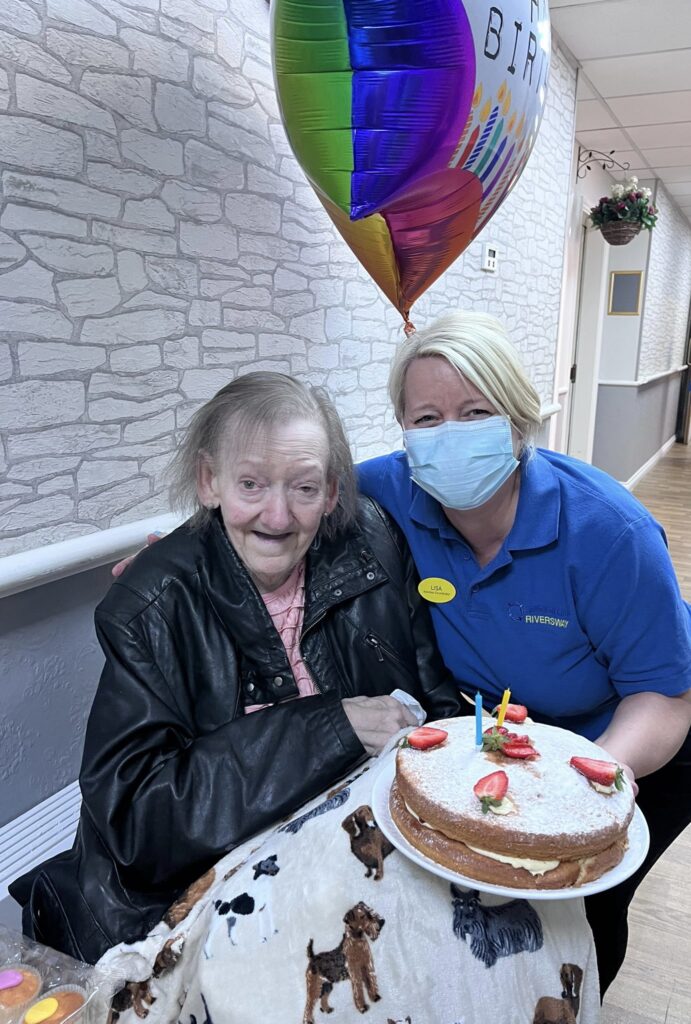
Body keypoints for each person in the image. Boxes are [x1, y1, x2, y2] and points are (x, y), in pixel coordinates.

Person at [10, 372, 462, 964]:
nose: (277, 515)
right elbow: (138, 823)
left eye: (304, 488)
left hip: (358, 855)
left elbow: (438, 705)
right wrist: (332, 726)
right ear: (210, 482)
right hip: (205, 898)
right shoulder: (151, 604)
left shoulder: (374, 541)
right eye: (251, 484)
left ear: (331, 493)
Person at [356, 309, 691, 994]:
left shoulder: (610, 532)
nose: (448, 435)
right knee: (480, 893)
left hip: (637, 735)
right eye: (426, 419)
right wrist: (179, 560)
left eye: (475, 412)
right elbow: (290, 492)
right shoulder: (388, 489)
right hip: (508, 731)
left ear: (517, 421)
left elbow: (663, 696)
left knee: (581, 904)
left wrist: (593, 782)